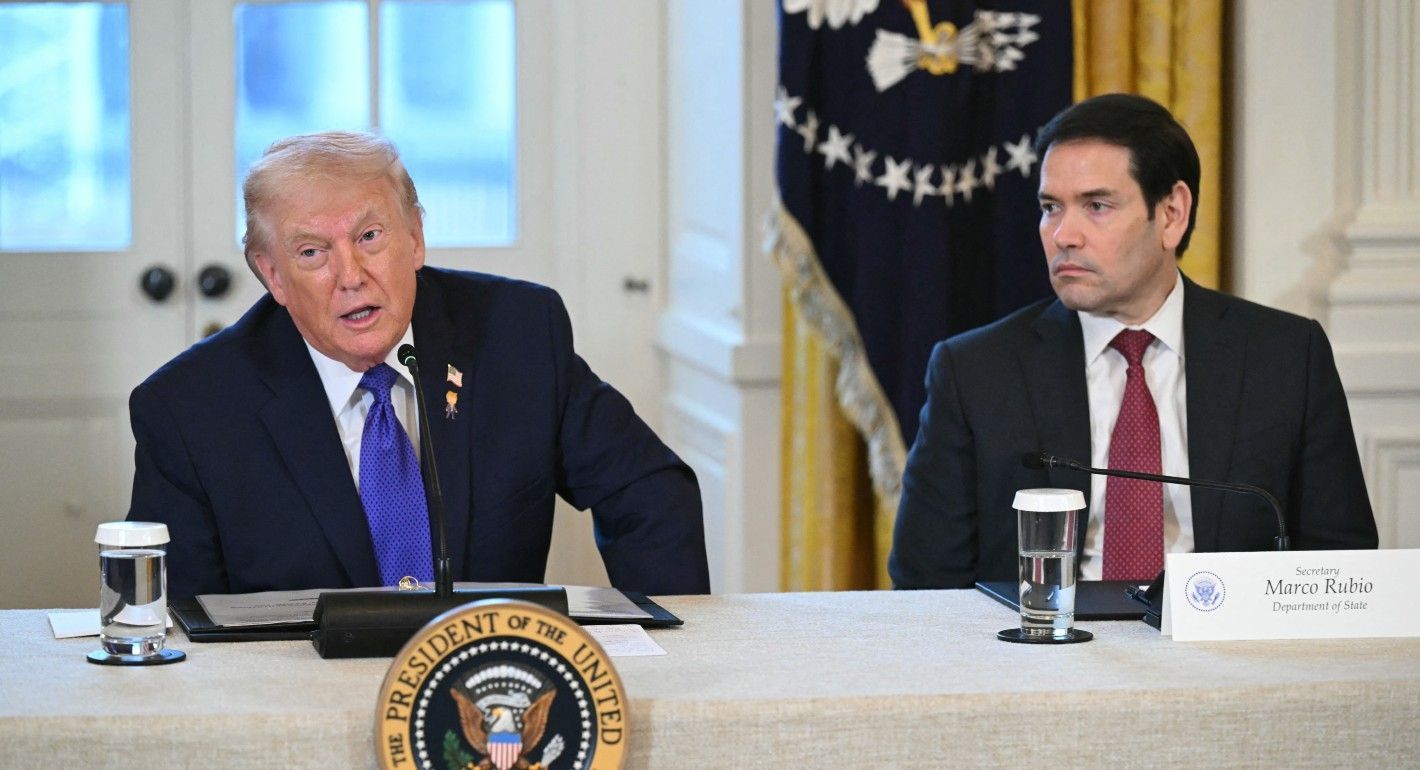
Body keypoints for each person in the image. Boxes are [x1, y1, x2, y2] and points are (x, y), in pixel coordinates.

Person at [128, 131, 709, 600]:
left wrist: (655, 654)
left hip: (483, 680)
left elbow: (650, 492)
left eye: (371, 236)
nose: (351, 275)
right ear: (272, 274)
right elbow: (178, 616)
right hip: (298, 700)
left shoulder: (516, 335)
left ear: (415, 238)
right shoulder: (189, 409)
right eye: (312, 253)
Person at [889, 94, 1377, 589]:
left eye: (1096, 206)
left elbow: (1342, 565)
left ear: (1171, 214)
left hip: (1226, 655)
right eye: (1050, 207)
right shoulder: (974, 371)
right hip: (1039, 654)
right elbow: (925, 584)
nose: (1063, 235)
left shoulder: (1286, 357)